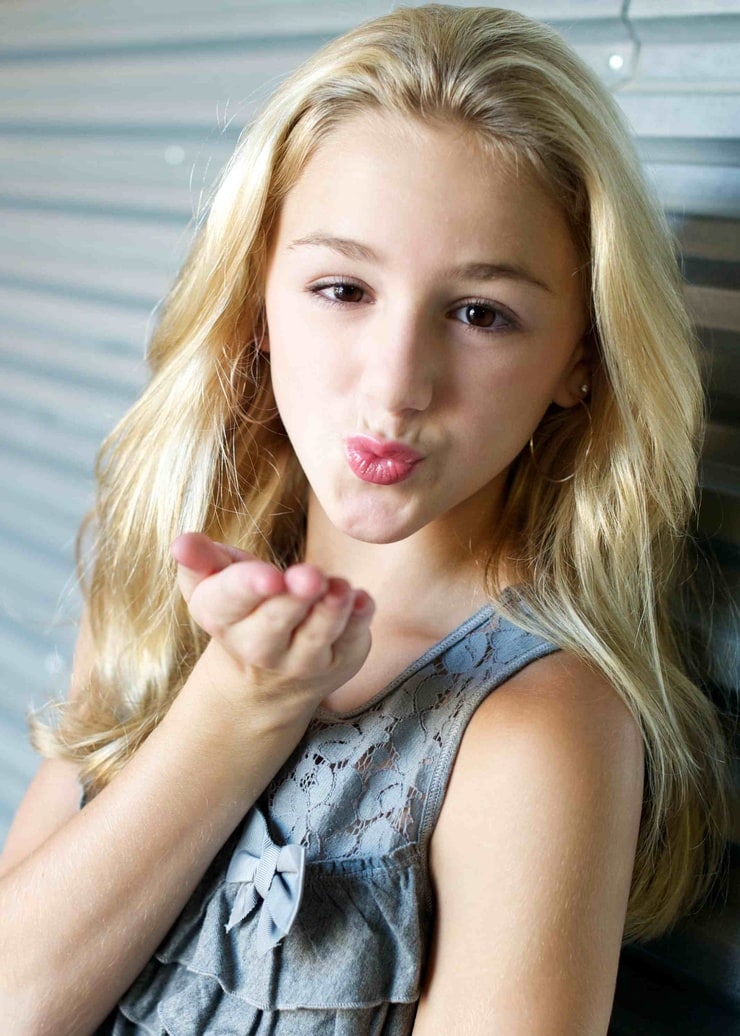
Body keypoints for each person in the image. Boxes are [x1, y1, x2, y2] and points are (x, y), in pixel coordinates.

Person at [0, 4, 733, 1033]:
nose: (394, 388)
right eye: (342, 289)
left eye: (479, 314)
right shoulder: (169, 589)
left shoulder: (535, 730)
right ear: (258, 302)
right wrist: (236, 708)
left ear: (580, 359)